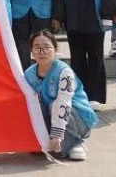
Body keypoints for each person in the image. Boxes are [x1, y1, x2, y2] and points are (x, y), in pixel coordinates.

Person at [24, 30, 98, 161]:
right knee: (34, 104)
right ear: (32, 52)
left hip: (76, 116)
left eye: (47, 47)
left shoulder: (65, 72)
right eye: (37, 47)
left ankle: (76, 142)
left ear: (56, 50)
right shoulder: (29, 73)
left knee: (54, 104)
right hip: (53, 117)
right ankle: (48, 140)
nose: (42, 51)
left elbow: (64, 102)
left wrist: (57, 135)